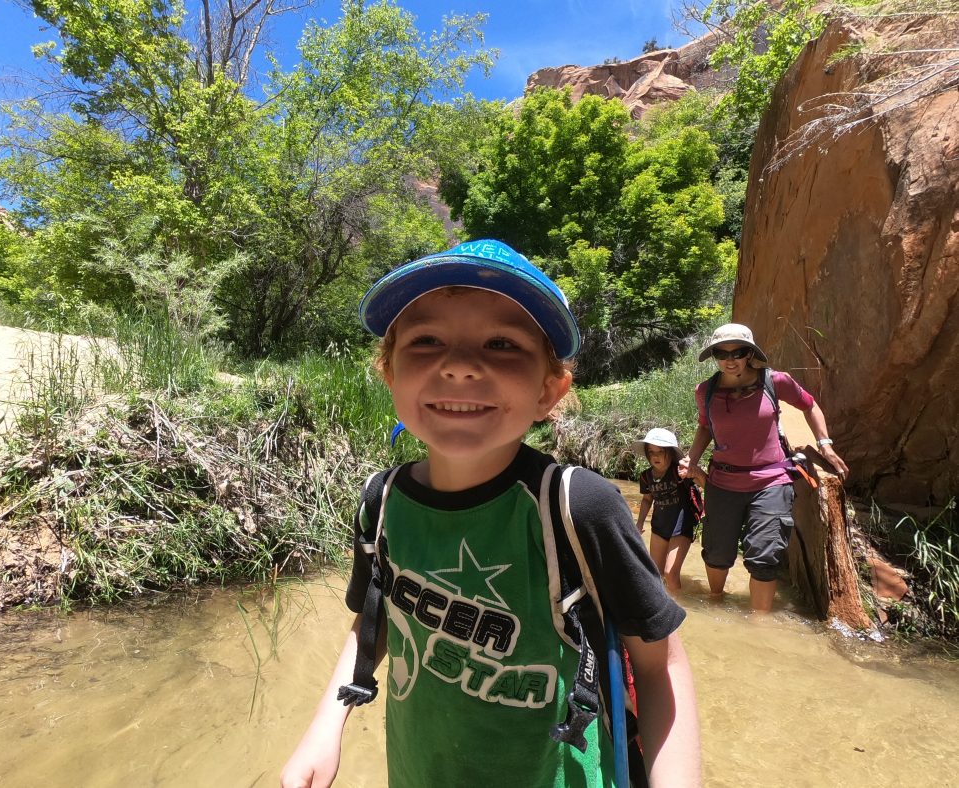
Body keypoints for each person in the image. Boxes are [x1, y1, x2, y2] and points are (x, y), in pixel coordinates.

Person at [280, 240, 701, 788]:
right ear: (390, 373)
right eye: (427, 340)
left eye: (501, 344)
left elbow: (660, 667)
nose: (458, 366)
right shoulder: (381, 503)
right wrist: (327, 722)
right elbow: (374, 621)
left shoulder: (578, 507)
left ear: (550, 390)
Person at [679, 323, 848, 614]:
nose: (730, 359)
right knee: (716, 553)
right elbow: (705, 427)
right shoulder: (705, 391)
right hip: (722, 482)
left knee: (764, 558)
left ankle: (760, 625)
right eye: (722, 353)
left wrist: (825, 444)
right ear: (714, 355)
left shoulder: (775, 382)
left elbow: (809, 405)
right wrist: (692, 459)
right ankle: (717, 604)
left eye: (738, 352)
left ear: (750, 353)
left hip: (771, 480)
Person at [632, 428, 700, 594]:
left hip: (681, 526)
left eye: (660, 451)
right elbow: (648, 499)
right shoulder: (645, 477)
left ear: (670, 453)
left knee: (670, 573)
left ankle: (678, 608)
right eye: (651, 452)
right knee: (656, 573)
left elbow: (703, 483)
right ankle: (662, 605)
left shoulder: (680, 472)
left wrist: (695, 472)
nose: (655, 456)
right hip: (659, 526)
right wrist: (639, 522)